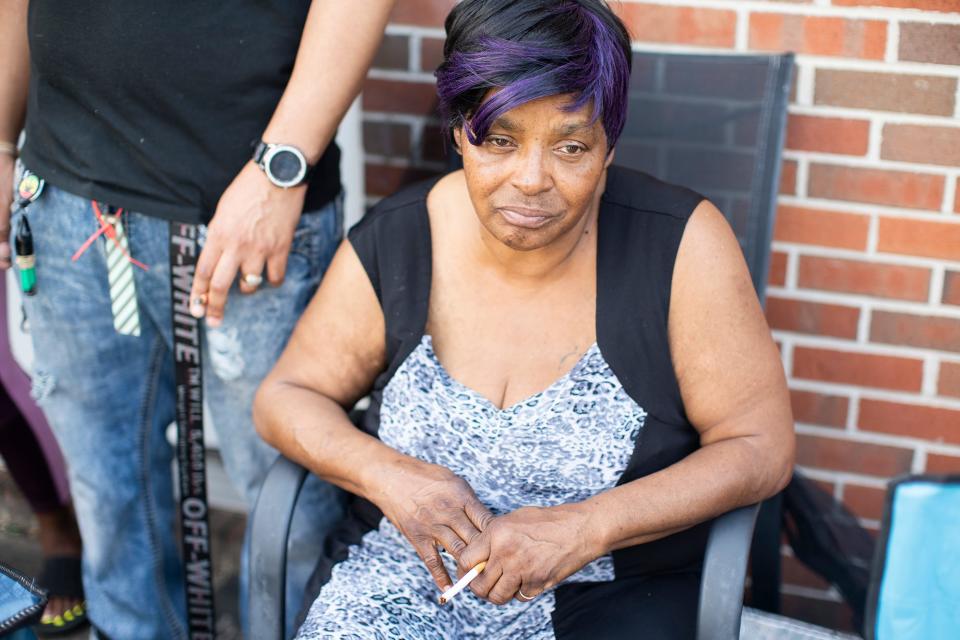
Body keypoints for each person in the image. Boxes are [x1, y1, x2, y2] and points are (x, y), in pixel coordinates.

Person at [254, 0, 796, 638]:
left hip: (612, 589)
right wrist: (391, 477)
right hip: (403, 577)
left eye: (570, 146)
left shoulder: (681, 246)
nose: (531, 180)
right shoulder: (399, 238)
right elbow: (286, 397)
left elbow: (760, 446)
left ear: (609, 146)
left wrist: (586, 528)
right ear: (459, 132)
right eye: (501, 140)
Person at [0, 1, 396, 637]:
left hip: (250, 208)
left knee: (286, 495)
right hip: (65, 195)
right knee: (108, 490)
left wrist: (280, 170)